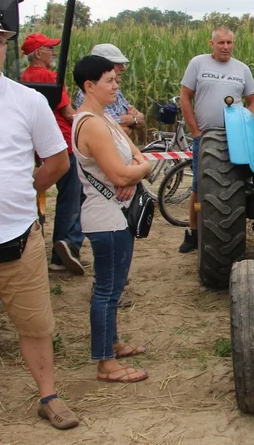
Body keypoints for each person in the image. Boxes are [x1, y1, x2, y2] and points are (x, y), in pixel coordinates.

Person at [0, 7, 79, 440]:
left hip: (18, 234)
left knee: (36, 324)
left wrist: (22, 192)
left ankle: (49, 397)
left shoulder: (27, 100)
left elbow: (58, 160)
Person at [72, 55, 152, 383]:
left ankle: (112, 342)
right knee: (107, 288)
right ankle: (105, 362)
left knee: (115, 286)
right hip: (106, 219)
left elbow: (137, 154)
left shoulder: (104, 119)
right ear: (89, 86)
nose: (116, 86)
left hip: (116, 217)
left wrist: (136, 169)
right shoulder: (90, 124)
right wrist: (140, 172)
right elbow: (124, 172)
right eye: (109, 81)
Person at [178, 27, 254, 254]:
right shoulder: (198, 64)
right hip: (204, 136)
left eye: (229, 43)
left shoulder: (241, 69)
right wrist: (195, 131)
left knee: (237, 182)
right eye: (221, 42)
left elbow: (252, 102)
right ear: (211, 43)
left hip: (235, 138)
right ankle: (193, 231)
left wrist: (244, 123)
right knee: (199, 186)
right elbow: (185, 97)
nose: (225, 47)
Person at [21, 33, 86, 275]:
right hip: (64, 145)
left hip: (39, 147)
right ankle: (65, 249)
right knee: (73, 199)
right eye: (49, 49)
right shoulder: (51, 78)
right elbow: (69, 113)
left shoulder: (22, 78)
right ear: (38, 53)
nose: (53, 53)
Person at [75, 44, 145, 137]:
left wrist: (129, 121)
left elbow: (141, 121)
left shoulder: (115, 90)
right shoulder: (89, 93)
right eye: (118, 64)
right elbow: (112, 132)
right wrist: (133, 120)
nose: (123, 68)